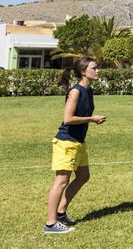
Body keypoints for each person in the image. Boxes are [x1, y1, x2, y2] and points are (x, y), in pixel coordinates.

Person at [45, 57, 107, 234]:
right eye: (94, 68)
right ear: (83, 72)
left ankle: (61, 211)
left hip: (79, 141)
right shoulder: (76, 92)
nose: (97, 71)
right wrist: (92, 119)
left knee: (83, 176)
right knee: (61, 181)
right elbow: (68, 119)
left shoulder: (89, 91)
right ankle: (50, 224)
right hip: (66, 142)